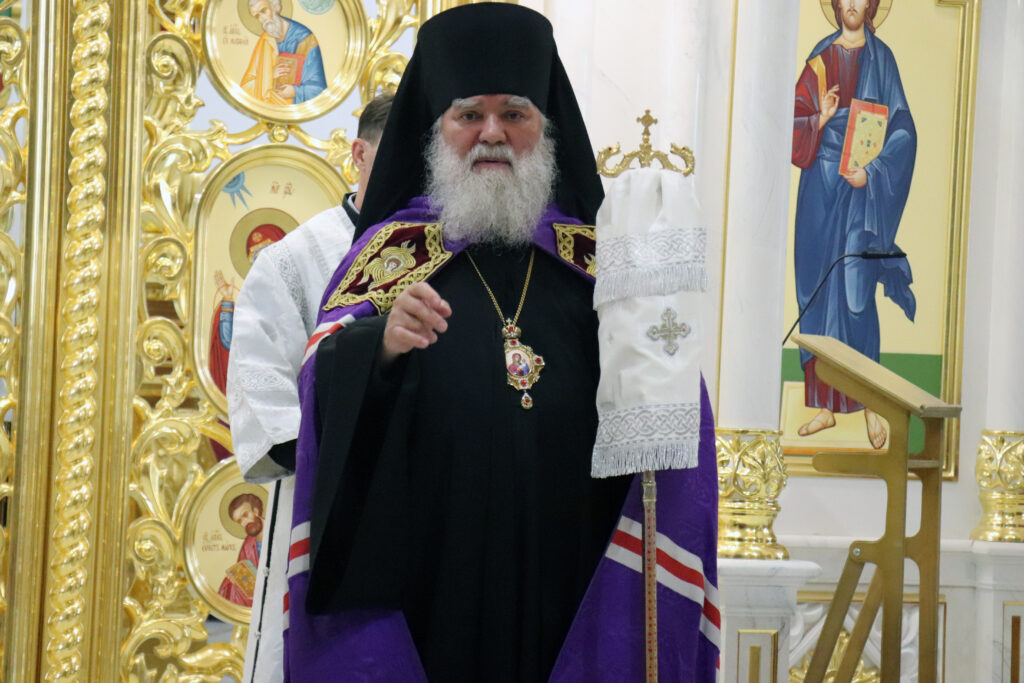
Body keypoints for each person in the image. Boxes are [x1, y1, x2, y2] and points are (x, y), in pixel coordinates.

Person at [284, 6, 717, 681]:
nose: (492, 133)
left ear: (545, 127)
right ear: (436, 129)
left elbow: (667, 402)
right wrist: (381, 348)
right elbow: (323, 391)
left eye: (514, 113)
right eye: (469, 115)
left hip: (572, 572)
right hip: (430, 580)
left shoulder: (597, 265)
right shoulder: (390, 258)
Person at [225, 93, 393, 683]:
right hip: (322, 502)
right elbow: (261, 384)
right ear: (360, 154)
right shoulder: (295, 259)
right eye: (395, 152)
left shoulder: (442, 251)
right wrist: (344, 447)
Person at [792, 0, 916, 449]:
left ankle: (868, 406)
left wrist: (873, 172)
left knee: (856, 293)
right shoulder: (820, 57)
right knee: (816, 290)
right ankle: (824, 407)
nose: (851, 4)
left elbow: (903, 131)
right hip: (819, 189)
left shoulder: (883, 60)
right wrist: (820, 119)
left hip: (861, 189)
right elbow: (793, 122)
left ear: (871, 5)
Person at [241, 0, 326, 105]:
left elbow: (320, 90)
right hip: (270, 108)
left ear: (275, 6)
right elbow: (246, 86)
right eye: (257, 16)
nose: (262, 18)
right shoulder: (266, 40)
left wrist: (295, 91)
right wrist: (270, 76)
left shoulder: (306, 39)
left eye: (263, 11)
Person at [218, 493, 265, 607]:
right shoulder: (248, 544)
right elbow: (245, 575)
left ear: (256, 511)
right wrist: (236, 580)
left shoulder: (278, 528)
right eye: (239, 521)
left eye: (245, 515)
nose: (244, 523)